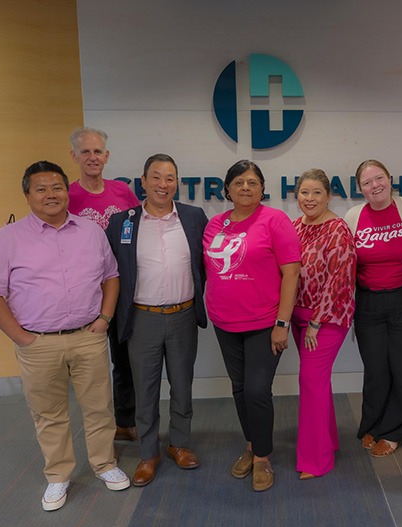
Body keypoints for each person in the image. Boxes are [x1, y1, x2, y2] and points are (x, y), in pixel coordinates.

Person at [0, 161, 129, 511]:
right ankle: (58, 475)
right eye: (41, 189)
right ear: (27, 195)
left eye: (57, 187)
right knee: (49, 413)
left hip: (88, 336)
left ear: (67, 191)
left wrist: (104, 318)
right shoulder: (7, 238)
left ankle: (105, 464)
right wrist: (20, 337)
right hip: (38, 342)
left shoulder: (90, 231)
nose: (51, 194)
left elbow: (111, 275)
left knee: (99, 407)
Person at [106, 154, 208, 487]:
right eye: (156, 177)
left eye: (169, 178)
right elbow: (109, 271)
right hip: (142, 318)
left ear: (176, 182)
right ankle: (148, 453)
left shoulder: (193, 217)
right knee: (145, 388)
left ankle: (180, 443)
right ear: (143, 181)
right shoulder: (122, 222)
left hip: (183, 316)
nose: (163, 185)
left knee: (182, 385)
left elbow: (205, 265)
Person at [203, 160, 301, 492]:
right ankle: (251, 443)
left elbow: (291, 273)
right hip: (224, 321)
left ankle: (262, 457)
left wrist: (282, 323)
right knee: (240, 388)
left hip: (264, 323)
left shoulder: (275, 220)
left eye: (252, 182)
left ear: (262, 189)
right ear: (227, 189)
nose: (245, 187)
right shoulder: (214, 225)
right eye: (239, 182)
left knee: (257, 391)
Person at [344, 159, 402, 458]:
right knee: (376, 370)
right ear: (360, 189)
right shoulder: (354, 216)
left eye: (379, 178)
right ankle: (373, 424)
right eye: (367, 182)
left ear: (390, 179)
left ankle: (395, 431)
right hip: (368, 302)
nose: (375, 186)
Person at [69, 127, 140, 443]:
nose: (92, 157)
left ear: (107, 156)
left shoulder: (122, 192)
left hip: (123, 291)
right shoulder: (67, 196)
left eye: (97, 151)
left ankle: (126, 421)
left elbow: (140, 228)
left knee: (125, 361)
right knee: (93, 369)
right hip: (86, 295)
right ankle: (97, 429)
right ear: (74, 156)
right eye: (85, 151)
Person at [291, 169, 356, 480]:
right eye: (304, 192)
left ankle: (316, 461)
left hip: (326, 319)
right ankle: (328, 440)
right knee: (316, 382)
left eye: (317, 192)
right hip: (297, 316)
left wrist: (316, 322)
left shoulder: (338, 229)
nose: (310, 198)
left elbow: (339, 281)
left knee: (310, 380)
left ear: (329, 196)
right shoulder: (295, 226)